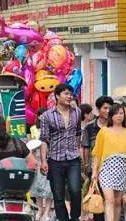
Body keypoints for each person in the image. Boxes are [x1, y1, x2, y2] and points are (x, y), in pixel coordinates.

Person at [39, 84, 82, 221]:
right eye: (66, 94)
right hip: (55, 159)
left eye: (71, 94)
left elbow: (78, 133)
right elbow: (44, 139)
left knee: (75, 191)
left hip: (73, 158)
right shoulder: (47, 115)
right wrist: (44, 161)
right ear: (57, 96)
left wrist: (78, 149)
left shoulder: (77, 112)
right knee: (58, 196)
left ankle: (75, 217)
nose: (70, 97)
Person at [91, 104, 126, 221]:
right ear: (111, 116)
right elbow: (97, 153)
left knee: (118, 201)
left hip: (122, 169)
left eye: (121, 113)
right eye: (116, 113)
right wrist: (94, 172)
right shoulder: (104, 131)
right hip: (106, 169)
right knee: (109, 200)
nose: (119, 116)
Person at [81, 96, 113, 221]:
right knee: (98, 200)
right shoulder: (90, 127)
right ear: (98, 109)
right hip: (95, 169)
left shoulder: (114, 126)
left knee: (113, 201)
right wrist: (86, 167)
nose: (108, 111)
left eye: (110, 108)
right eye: (105, 108)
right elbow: (86, 148)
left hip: (112, 167)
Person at [29, 108, 52, 221]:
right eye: (42, 115)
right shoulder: (33, 128)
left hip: (50, 159)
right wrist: (33, 161)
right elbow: (30, 146)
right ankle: (39, 210)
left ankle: (47, 212)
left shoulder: (52, 128)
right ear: (38, 116)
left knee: (49, 187)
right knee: (37, 186)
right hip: (37, 160)